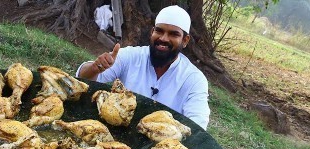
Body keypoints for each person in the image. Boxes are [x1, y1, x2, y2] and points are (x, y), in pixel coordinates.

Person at [76, 5, 210, 130]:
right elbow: (82, 81)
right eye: (159, 31)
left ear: (185, 40)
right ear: (152, 32)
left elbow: (197, 128)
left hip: (163, 145)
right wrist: (95, 68)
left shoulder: (194, 80)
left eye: (173, 34)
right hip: (118, 132)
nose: (163, 38)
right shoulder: (130, 56)